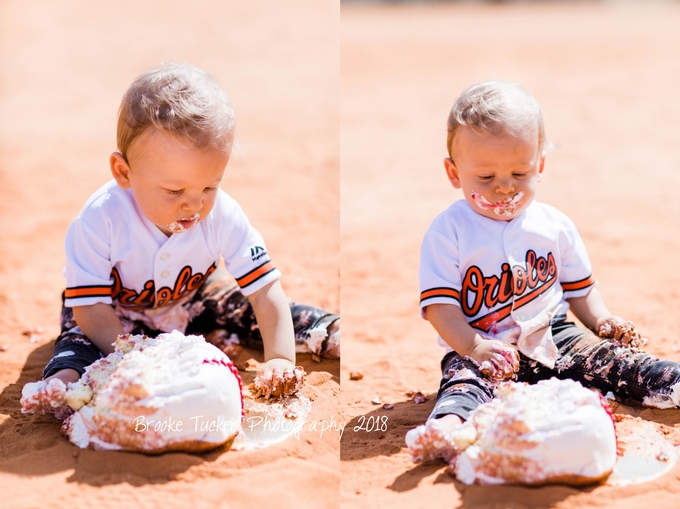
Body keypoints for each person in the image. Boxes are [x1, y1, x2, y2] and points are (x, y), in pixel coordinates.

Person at [24, 63, 339, 413]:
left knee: (238, 306)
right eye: (174, 190)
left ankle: (328, 330)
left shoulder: (223, 215)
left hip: (193, 298)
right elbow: (89, 307)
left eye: (209, 186)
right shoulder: (99, 219)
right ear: (124, 172)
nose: (194, 204)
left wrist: (279, 358)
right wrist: (129, 358)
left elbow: (265, 291)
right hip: (109, 312)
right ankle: (62, 384)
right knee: (78, 345)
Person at [408, 80, 680, 462]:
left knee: (614, 360)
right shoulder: (448, 231)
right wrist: (473, 347)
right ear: (454, 173)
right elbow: (439, 307)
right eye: (485, 178)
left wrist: (602, 318)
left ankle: (670, 381)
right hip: (483, 346)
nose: (504, 188)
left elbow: (580, 288)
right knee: (462, 386)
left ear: (541, 165)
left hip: (557, 335)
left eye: (520, 173)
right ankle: (449, 428)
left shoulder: (555, 225)